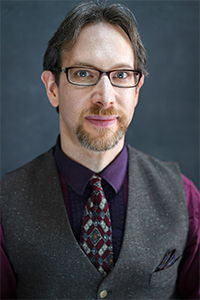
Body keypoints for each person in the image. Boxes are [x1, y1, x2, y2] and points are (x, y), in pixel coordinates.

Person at [1, 1, 199, 299]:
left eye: (120, 75)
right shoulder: (4, 205)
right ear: (52, 88)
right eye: (83, 73)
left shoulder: (185, 198)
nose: (105, 98)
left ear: (137, 90)